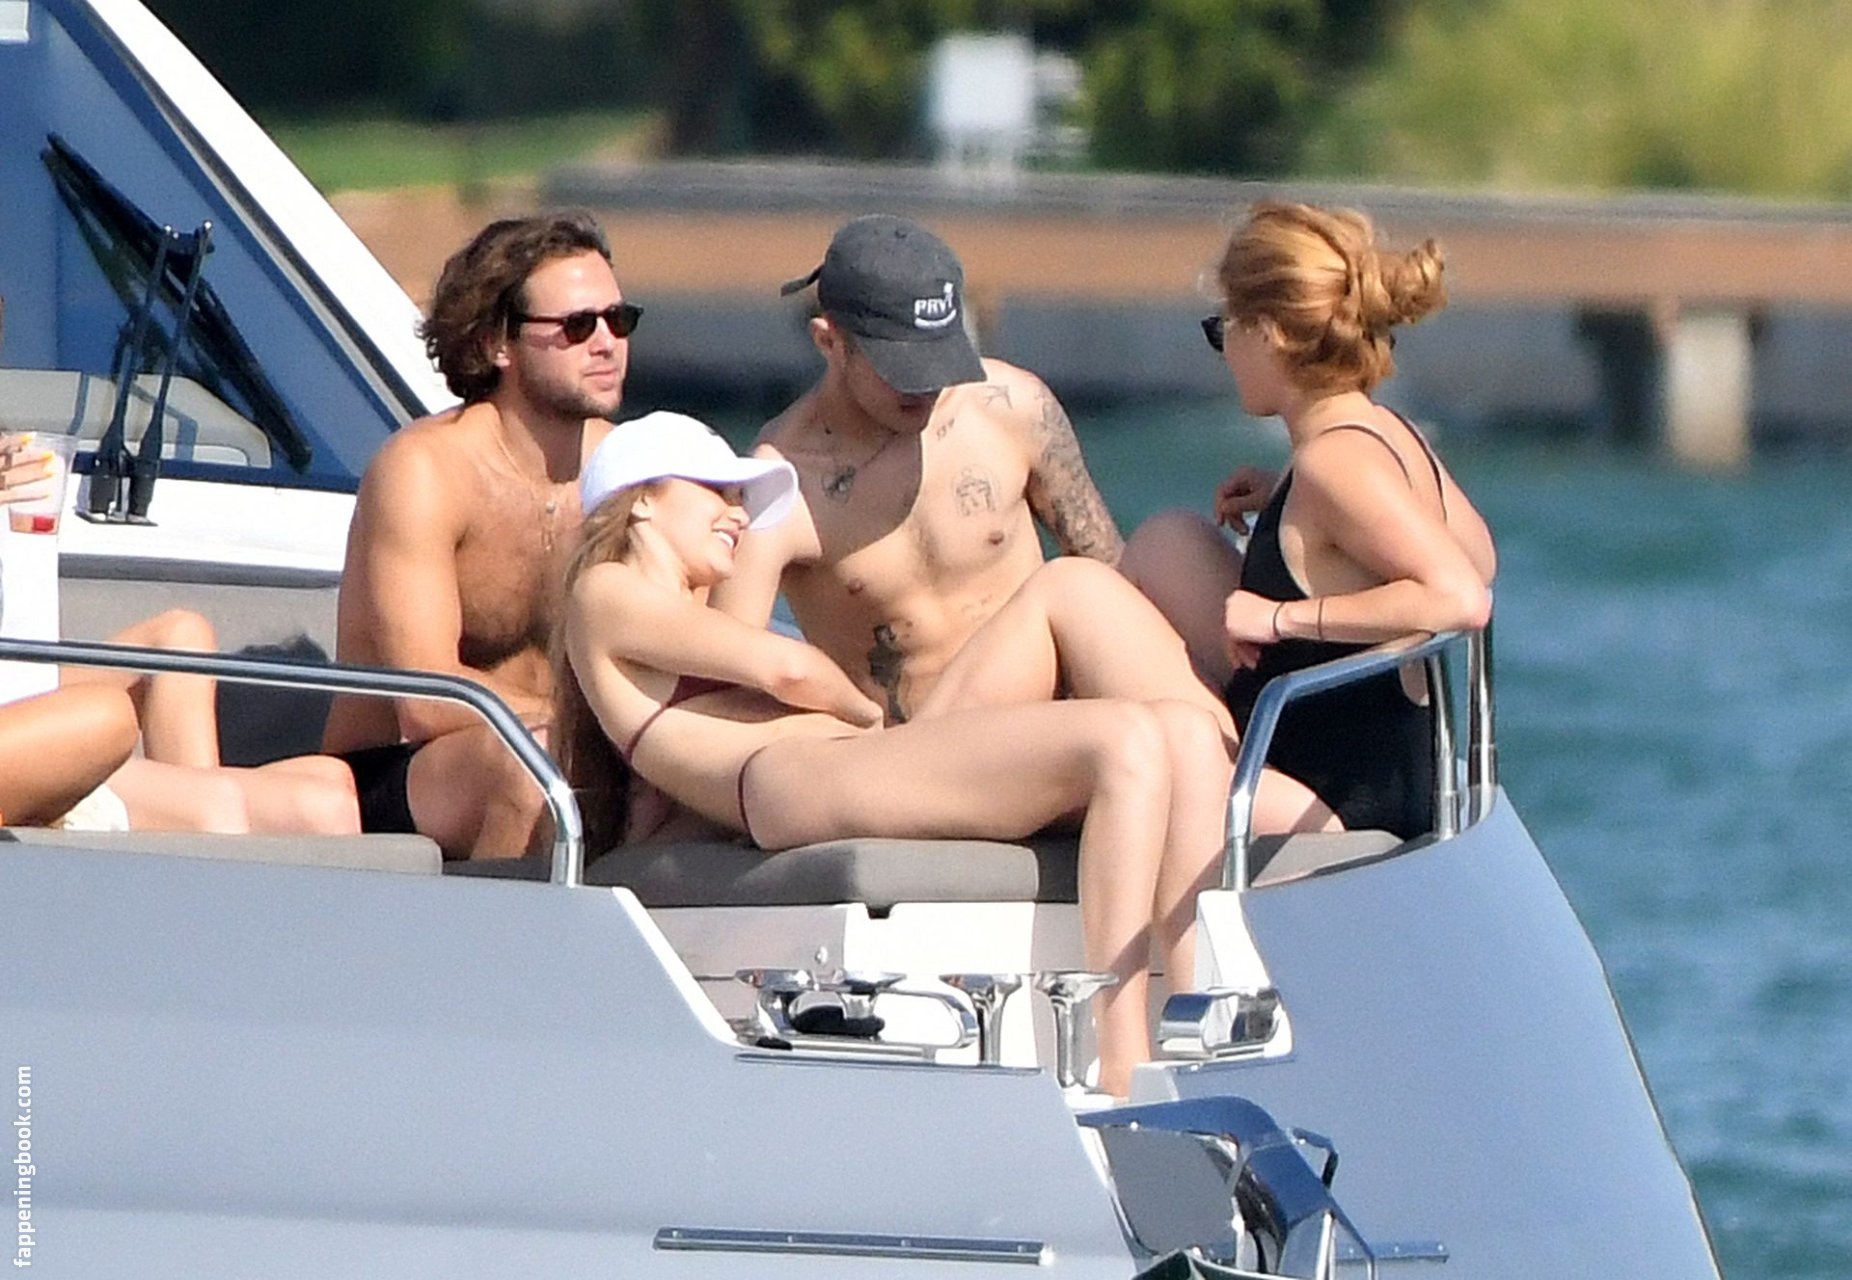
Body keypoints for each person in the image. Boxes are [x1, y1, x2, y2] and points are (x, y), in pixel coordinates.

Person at [557, 411, 1232, 1097]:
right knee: (1125, 741)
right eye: (716, 491)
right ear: (641, 500)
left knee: (1186, 733)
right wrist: (869, 717)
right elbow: (786, 670)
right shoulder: (603, 589)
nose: (737, 513)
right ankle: (1124, 1068)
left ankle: (1197, 1026)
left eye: (738, 497)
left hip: (842, 765)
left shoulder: (669, 623)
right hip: (799, 778)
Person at [1121, 201, 1496, 840]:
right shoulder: (1384, 432)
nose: (1224, 352)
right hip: (1397, 772)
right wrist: (1292, 506)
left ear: (1268, 333)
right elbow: (1479, 555)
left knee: (1071, 592)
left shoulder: (1333, 463)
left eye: (1223, 329)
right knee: (1169, 541)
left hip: (1327, 797)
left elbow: (1462, 596)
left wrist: (1280, 618)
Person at [322, 211, 635, 858]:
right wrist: (595, 726)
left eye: (618, 319)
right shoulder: (425, 471)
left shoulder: (627, 471)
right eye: (578, 326)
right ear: (497, 344)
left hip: (562, 752)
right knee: (533, 768)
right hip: (394, 775)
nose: (607, 342)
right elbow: (427, 699)